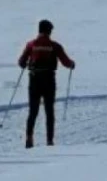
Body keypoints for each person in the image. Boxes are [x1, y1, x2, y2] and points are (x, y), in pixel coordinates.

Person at [18, 19, 75, 148]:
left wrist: (25, 64)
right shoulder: (55, 46)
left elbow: (21, 62)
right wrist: (72, 64)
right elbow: (65, 61)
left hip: (34, 79)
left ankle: (29, 137)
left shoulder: (31, 44)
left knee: (33, 111)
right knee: (49, 111)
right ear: (49, 31)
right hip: (49, 80)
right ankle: (49, 140)